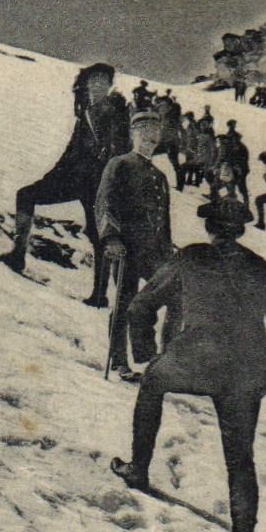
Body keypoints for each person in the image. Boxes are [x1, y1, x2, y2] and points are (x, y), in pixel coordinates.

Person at [109, 199, 266, 532]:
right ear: (240, 230)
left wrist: (146, 352)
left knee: (152, 382)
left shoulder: (190, 257)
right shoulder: (259, 267)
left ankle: (138, 469)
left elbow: (139, 306)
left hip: (194, 360)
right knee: (240, 457)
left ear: (209, 227)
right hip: (246, 369)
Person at [0, 62, 131, 305]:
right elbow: (71, 150)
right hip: (73, 178)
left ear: (110, 86)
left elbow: (119, 150)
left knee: (99, 235)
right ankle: (17, 255)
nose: (98, 84)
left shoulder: (115, 113)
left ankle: (99, 295)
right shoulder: (85, 112)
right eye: (94, 79)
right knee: (26, 195)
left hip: (97, 184)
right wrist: (52, 177)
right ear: (87, 83)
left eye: (103, 80)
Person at [95, 109, 175, 380]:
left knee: (175, 297)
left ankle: (160, 360)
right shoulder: (120, 164)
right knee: (124, 303)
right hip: (126, 249)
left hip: (154, 253)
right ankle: (120, 362)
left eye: (154, 132)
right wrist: (111, 238)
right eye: (143, 132)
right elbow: (104, 202)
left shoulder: (160, 177)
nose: (149, 138)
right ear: (132, 135)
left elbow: (163, 221)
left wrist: (167, 252)